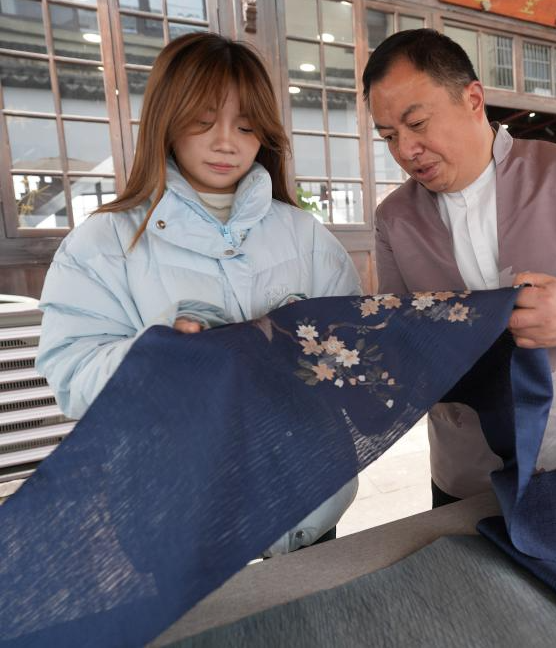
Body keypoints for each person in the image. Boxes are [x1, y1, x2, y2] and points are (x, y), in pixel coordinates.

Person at [35, 32, 362, 554]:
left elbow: (355, 348)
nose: (226, 141)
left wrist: (315, 347)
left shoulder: (306, 235)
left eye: (246, 125)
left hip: (305, 500)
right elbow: (70, 374)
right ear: (167, 118)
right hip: (177, 518)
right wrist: (155, 354)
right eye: (203, 121)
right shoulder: (105, 241)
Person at [364, 29, 556, 506]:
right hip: (467, 465)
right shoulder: (394, 217)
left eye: (417, 124)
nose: (405, 150)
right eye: (389, 136)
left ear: (473, 98)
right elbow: (397, 328)